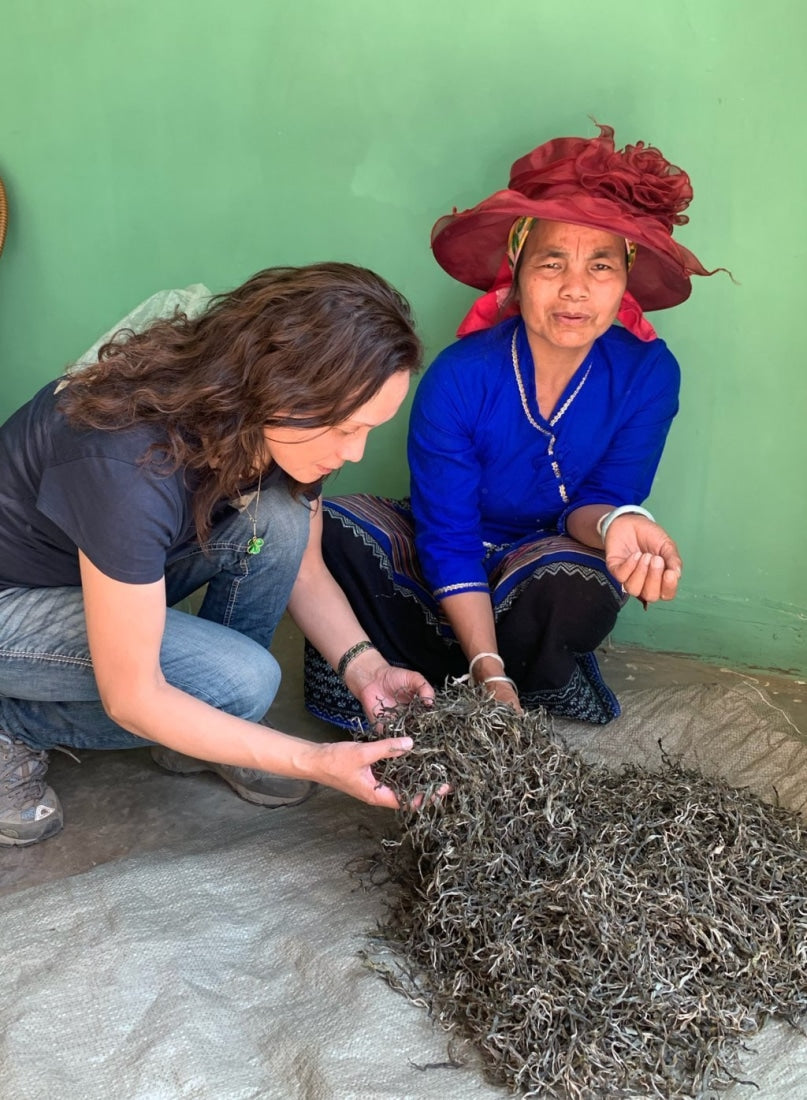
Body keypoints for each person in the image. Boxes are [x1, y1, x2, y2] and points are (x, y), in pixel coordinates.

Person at [304, 123, 725, 728]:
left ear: (625, 278)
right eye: (552, 262)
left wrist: (619, 522)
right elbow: (447, 533)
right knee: (336, 531)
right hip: (447, 550)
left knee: (582, 579)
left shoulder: (648, 374)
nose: (575, 289)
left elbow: (597, 505)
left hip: (542, 553)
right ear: (518, 269)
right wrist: (487, 666)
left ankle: (481, 663)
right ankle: (482, 669)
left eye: (601, 266)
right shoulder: (459, 375)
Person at [0, 262, 435, 847]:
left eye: (367, 430)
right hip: (12, 599)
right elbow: (132, 696)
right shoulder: (129, 463)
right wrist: (313, 760)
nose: (354, 453)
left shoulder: (265, 425)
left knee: (276, 515)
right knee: (241, 683)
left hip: (82, 571)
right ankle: (13, 723)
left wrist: (369, 669)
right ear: (284, 386)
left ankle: (207, 733)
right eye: (343, 428)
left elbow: (303, 566)